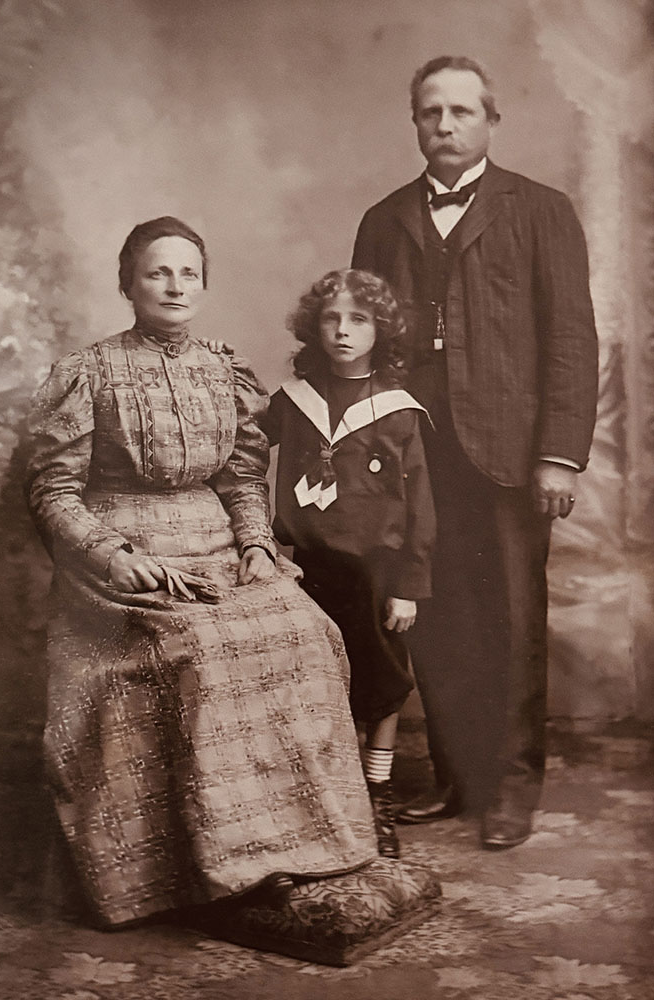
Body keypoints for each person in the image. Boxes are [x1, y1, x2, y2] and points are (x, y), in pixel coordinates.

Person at [25, 216, 378, 928]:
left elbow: (241, 478)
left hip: (219, 549)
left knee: (305, 630)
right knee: (205, 648)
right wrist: (114, 556)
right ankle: (215, 866)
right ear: (128, 284)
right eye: (157, 272)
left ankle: (300, 846)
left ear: (204, 284)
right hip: (124, 563)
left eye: (188, 273)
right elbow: (52, 492)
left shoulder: (223, 369)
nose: (174, 286)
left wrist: (256, 545)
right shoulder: (88, 371)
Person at [351, 56, 598, 849]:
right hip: (413, 455)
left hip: (508, 454)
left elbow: (570, 339)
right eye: (431, 112)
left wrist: (557, 453)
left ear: (491, 120)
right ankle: (457, 780)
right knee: (432, 618)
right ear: (415, 124)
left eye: (461, 111)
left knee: (512, 622)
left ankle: (512, 789)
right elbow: (358, 345)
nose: (445, 125)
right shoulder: (382, 220)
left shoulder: (541, 209)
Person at [263, 269, 435, 860]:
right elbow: (240, 448)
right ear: (314, 327)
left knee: (382, 682)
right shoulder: (294, 402)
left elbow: (420, 507)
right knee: (312, 682)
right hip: (307, 569)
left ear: (379, 331)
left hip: (378, 573)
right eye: (331, 318)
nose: (342, 330)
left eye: (358, 319)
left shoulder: (398, 411)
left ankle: (377, 794)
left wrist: (408, 585)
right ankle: (322, 797)